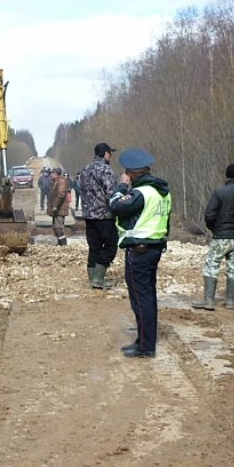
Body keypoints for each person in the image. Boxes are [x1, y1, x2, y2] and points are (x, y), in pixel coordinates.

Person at [110, 148, 172, 358]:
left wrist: (121, 186)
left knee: (141, 298)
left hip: (140, 250)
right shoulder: (162, 192)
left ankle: (145, 346)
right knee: (148, 296)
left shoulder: (141, 193)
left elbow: (116, 207)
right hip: (154, 247)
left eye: (128, 172)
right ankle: (145, 341)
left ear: (133, 173)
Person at [191, 164, 234, 311]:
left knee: (212, 265)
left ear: (226, 175)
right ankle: (230, 301)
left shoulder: (219, 192)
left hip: (221, 236)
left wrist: (215, 228)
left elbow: (209, 214)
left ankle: (209, 301)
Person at [80, 143, 118, 289]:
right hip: (104, 215)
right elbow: (111, 193)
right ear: (105, 154)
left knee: (94, 247)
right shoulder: (106, 170)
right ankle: (98, 279)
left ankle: (92, 279)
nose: (111, 156)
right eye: (110, 153)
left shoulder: (85, 169)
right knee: (110, 246)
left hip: (89, 216)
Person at [47, 167, 70, 245]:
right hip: (57, 210)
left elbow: (61, 194)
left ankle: (63, 245)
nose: (50, 175)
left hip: (60, 209)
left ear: (55, 174)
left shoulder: (61, 181)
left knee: (59, 227)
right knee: (55, 227)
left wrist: (55, 205)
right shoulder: (55, 181)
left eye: (52, 173)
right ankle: (59, 243)